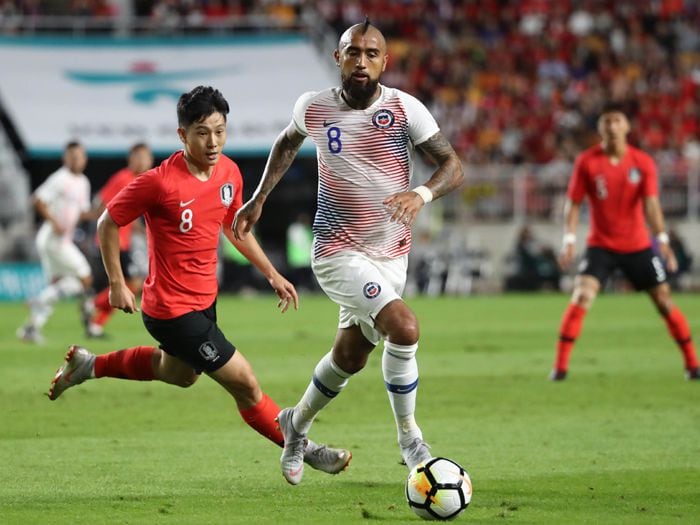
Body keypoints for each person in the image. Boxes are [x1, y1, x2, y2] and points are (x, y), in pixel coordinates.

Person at [47, 86, 351, 477]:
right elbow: (107, 223)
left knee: (178, 373)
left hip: (204, 301)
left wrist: (272, 274)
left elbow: (234, 227)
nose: (213, 142)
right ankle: (304, 447)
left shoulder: (229, 173)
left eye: (220, 131)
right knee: (245, 383)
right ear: (182, 134)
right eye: (202, 132)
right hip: (171, 310)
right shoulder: (158, 182)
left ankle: (88, 366)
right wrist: (117, 283)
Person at [234, 21, 465, 485]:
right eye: (352, 52)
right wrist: (259, 197)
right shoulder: (314, 106)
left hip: (391, 254)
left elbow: (453, 165)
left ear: (385, 61)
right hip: (337, 250)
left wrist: (419, 195)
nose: (361, 61)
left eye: (371, 53)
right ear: (337, 57)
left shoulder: (404, 109)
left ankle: (294, 425)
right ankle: (411, 439)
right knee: (404, 326)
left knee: (350, 357)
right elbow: (286, 142)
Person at [551, 102, 699, 381]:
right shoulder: (587, 161)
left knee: (665, 302)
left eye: (618, 120)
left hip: (638, 246)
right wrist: (569, 239)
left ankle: (693, 365)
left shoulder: (642, 162)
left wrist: (663, 240)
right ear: (600, 129)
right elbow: (572, 204)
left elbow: (652, 206)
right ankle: (559, 368)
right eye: (607, 121)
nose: (612, 126)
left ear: (627, 127)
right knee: (581, 295)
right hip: (601, 245)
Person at [17, 141, 94, 343]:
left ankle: (30, 329)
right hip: (53, 239)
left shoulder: (83, 182)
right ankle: (40, 300)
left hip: (62, 240)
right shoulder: (60, 178)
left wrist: (103, 212)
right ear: (65, 158)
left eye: (79, 156)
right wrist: (54, 221)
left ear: (85, 159)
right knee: (85, 279)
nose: (76, 159)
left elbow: (82, 212)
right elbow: (37, 200)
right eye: (72, 156)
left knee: (58, 285)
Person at [85, 142, 154, 338]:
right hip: (115, 242)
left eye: (147, 157)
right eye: (139, 157)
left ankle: (95, 324)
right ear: (131, 158)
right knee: (131, 283)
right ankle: (92, 306)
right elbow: (105, 206)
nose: (144, 161)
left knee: (129, 284)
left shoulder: (137, 179)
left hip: (123, 241)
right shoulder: (124, 178)